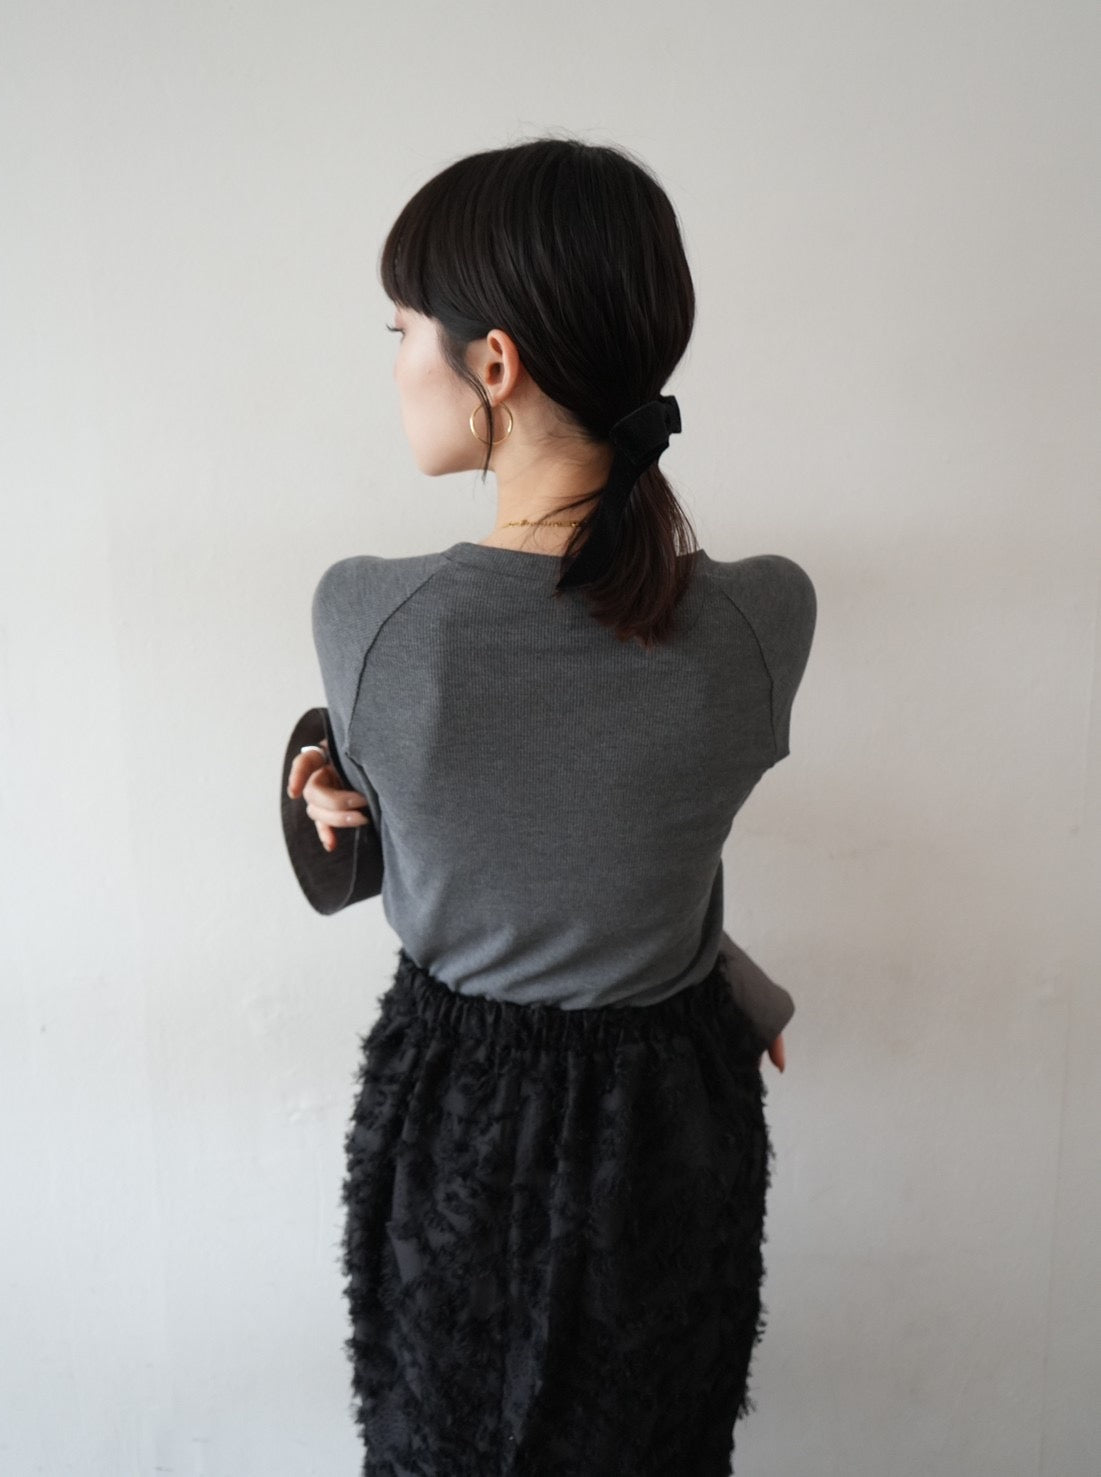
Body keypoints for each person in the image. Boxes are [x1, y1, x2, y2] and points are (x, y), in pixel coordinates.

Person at [284, 134, 816, 1476]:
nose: (394, 363)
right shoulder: (765, 618)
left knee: (445, 1444)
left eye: (402, 330)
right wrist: (734, 983)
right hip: (673, 1117)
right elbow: (614, 835)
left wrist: (332, 783)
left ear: (495, 364)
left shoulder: (371, 619)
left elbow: (475, 856)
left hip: (459, 1117)